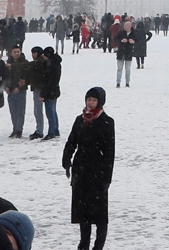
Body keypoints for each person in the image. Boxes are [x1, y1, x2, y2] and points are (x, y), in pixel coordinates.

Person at [63, 87, 115, 250]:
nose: (90, 103)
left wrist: (107, 178)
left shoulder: (107, 122)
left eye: (93, 100)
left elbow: (109, 152)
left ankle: (98, 245)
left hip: (98, 171)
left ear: (100, 102)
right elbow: (72, 141)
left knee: (99, 213)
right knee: (82, 210)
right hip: (81, 169)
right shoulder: (80, 120)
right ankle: (83, 242)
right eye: (88, 99)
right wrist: (67, 158)